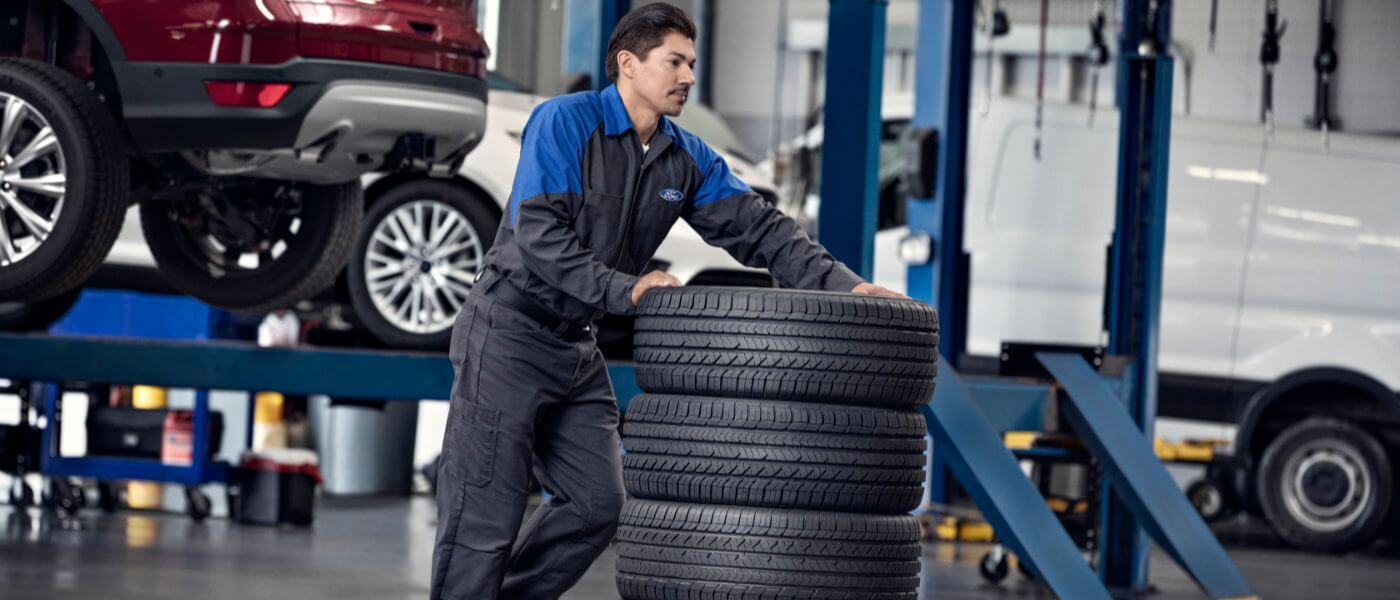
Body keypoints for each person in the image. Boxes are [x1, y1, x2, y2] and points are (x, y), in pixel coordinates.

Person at [429, 4, 903, 599]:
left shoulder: (686, 157)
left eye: (693, 64)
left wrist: (848, 286)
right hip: (507, 331)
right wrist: (627, 289)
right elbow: (540, 235)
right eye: (675, 61)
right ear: (628, 63)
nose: (688, 76)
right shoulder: (566, 123)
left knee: (598, 505)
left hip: (575, 346)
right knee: (483, 518)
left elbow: (761, 230)